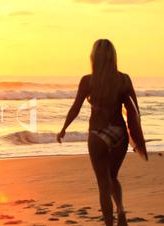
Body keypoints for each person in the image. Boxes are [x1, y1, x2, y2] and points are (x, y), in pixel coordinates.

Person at [57, 39, 139, 226]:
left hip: (97, 134)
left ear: (94, 57)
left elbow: (76, 107)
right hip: (119, 133)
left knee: (103, 183)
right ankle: (121, 210)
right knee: (113, 177)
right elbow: (135, 111)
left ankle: (109, 223)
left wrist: (64, 128)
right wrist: (136, 139)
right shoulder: (124, 79)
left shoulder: (88, 81)